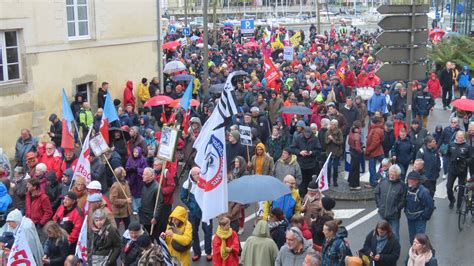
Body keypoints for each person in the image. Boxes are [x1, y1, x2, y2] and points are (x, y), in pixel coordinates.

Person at [180, 167, 212, 261]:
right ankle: (196, 252)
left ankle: (208, 252)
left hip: (206, 211)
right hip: (193, 212)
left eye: (199, 173)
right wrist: (191, 206)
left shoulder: (206, 182)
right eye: (196, 174)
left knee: (208, 231)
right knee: (193, 232)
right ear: (192, 175)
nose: (199, 175)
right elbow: (183, 197)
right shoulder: (187, 184)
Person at [375, 164, 406, 239]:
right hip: (382, 213)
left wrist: (396, 209)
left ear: (398, 175)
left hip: (394, 216)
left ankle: (395, 250)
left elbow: (403, 200)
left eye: (394, 175)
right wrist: (379, 205)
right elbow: (376, 193)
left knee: (395, 235)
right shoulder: (383, 181)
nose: (391, 176)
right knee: (381, 234)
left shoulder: (402, 185)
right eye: (390, 174)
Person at [289, 126, 321, 197]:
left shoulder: (315, 139)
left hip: (311, 164)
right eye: (306, 134)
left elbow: (318, 150)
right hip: (301, 164)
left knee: (310, 180)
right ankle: (302, 196)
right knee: (301, 181)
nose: (307, 136)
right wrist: (300, 152)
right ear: (303, 133)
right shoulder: (298, 138)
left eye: (309, 134)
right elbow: (292, 148)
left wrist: (311, 152)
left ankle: (309, 195)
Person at [405, 171, 434, 244]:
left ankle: (420, 253)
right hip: (410, 217)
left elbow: (430, 206)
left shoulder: (423, 192)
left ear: (417, 181)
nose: (410, 181)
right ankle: (413, 252)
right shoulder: (407, 188)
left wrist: (423, 217)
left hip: (419, 219)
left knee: (419, 239)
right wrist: (406, 211)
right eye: (409, 179)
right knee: (412, 237)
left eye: (412, 180)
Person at [446, 130, 471, 210]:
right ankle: (452, 200)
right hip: (452, 169)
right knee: (449, 187)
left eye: (461, 137)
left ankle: (459, 205)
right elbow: (447, 155)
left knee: (461, 188)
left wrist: (463, 161)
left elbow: (471, 158)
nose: (459, 139)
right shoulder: (451, 144)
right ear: (456, 137)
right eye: (458, 137)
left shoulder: (467, 146)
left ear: (463, 137)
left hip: (462, 170)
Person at [138, 167, 164, 240]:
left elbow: (160, 204)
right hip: (144, 215)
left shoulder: (157, 188)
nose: (143, 176)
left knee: (153, 236)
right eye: (143, 174)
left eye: (145, 174)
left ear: (152, 176)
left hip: (151, 217)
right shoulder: (145, 185)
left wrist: (155, 217)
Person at [153, 158, 176, 235]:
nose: (154, 166)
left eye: (156, 165)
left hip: (166, 202)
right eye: (154, 165)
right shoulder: (154, 173)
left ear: (161, 165)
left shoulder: (166, 174)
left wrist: (161, 192)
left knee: (163, 222)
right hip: (157, 202)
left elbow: (171, 187)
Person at [126, 147, 147, 215]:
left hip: (139, 180)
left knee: (138, 194)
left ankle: (137, 208)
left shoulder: (143, 159)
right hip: (131, 179)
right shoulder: (130, 158)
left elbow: (145, 169)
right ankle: (134, 207)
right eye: (134, 152)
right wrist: (129, 169)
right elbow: (127, 167)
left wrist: (137, 169)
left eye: (137, 152)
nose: (135, 154)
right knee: (131, 193)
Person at [366, 117, 385, 188]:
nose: (370, 123)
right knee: (384, 165)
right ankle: (378, 181)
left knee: (372, 168)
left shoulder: (375, 130)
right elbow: (381, 140)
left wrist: (368, 150)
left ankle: (373, 183)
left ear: (374, 123)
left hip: (374, 152)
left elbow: (375, 142)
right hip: (379, 151)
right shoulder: (380, 129)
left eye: (371, 122)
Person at [325, 119, 344, 187]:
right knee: (329, 167)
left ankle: (335, 181)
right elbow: (326, 142)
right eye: (331, 124)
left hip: (337, 152)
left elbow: (341, 142)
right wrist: (329, 140)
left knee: (335, 167)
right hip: (329, 152)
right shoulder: (328, 132)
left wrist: (333, 139)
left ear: (336, 125)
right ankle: (328, 181)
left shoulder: (339, 132)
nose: (331, 125)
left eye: (333, 124)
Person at [348, 121, 363, 190]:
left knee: (352, 168)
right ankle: (354, 185)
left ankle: (350, 181)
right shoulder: (357, 135)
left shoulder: (351, 132)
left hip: (351, 151)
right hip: (356, 153)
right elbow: (357, 147)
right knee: (356, 170)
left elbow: (349, 142)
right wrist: (361, 151)